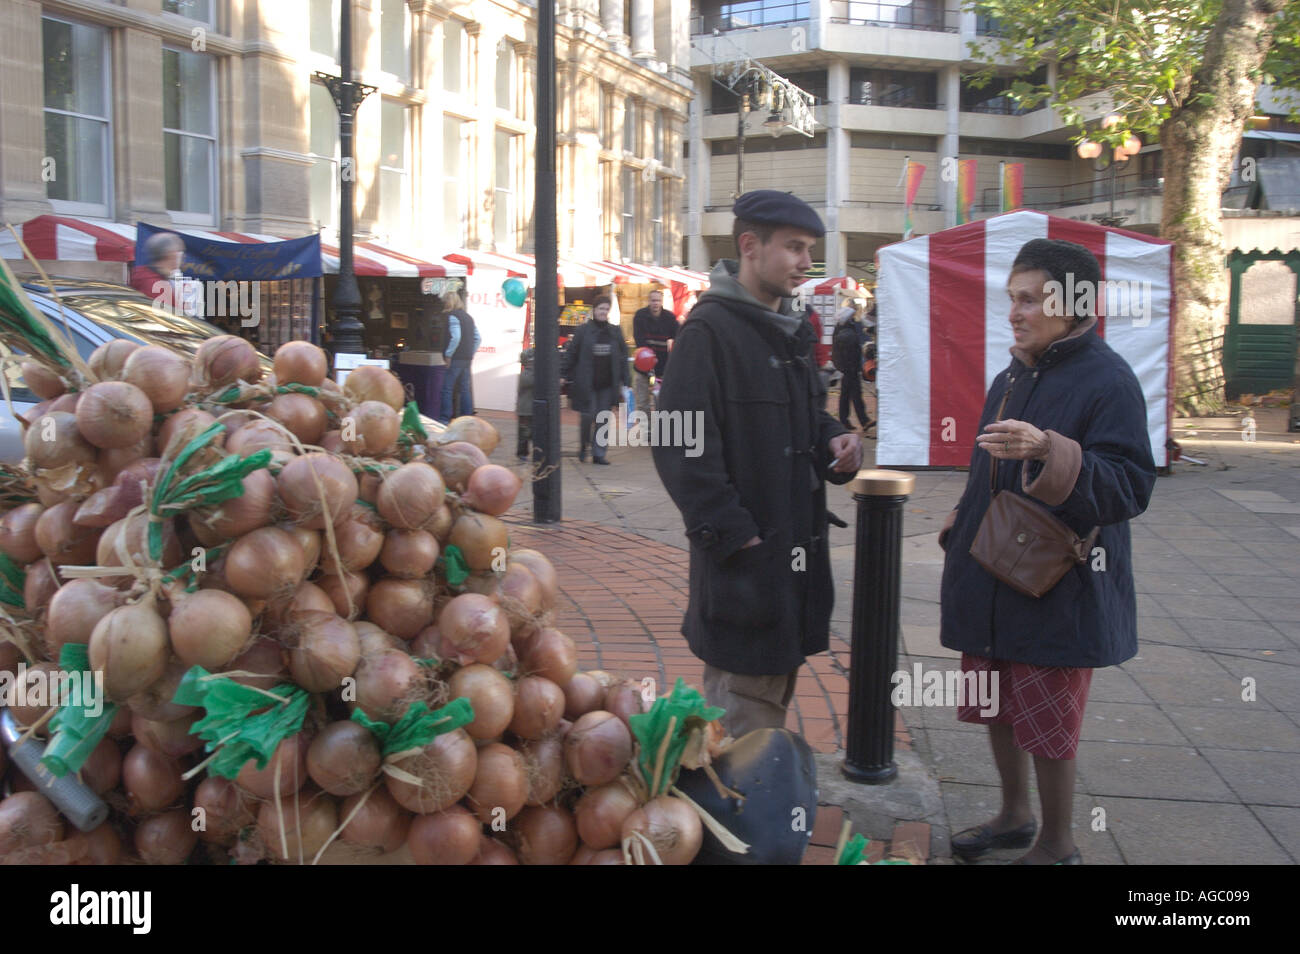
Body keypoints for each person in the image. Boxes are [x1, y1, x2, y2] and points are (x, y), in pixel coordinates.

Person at [937, 238, 1156, 865]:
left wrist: (1048, 449)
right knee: (996, 701)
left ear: (1073, 302)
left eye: (1029, 300)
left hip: (1059, 581)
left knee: (1048, 718)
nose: (1014, 312)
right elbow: (988, 465)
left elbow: (1130, 485)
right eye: (1012, 299)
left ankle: (1057, 845)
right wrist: (962, 517)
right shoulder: (1011, 374)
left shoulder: (1109, 380)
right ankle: (1013, 816)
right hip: (991, 567)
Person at [651, 190, 863, 738]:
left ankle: (740, 809)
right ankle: (738, 817)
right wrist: (736, 537)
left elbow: (805, 420)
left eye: (809, 249)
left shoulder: (787, 326)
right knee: (744, 718)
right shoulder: (709, 331)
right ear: (750, 245)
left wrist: (834, 439)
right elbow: (678, 444)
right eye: (794, 248)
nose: (805, 262)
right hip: (746, 570)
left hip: (790, 561)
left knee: (759, 702)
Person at [561, 295, 628, 465]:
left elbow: (622, 357)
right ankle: (584, 446)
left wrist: (625, 381)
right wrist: (563, 374)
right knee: (587, 415)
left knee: (603, 417)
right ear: (594, 310)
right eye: (601, 309)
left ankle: (599, 454)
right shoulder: (583, 331)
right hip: (587, 382)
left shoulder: (615, 331)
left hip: (607, 383)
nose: (603, 312)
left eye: (606, 309)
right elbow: (572, 354)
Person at [130, 231, 199, 316]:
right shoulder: (156, 286)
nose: (183, 256)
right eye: (179, 251)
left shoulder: (147, 277)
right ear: (170, 254)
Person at [632, 288, 677, 415]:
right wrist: (649, 360)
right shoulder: (640, 316)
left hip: (662, 370)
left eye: (658, 300)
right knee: (642, 403)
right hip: (643, 368)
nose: (655, 303)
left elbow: (679, 336)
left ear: (662, 302)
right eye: (653, 300)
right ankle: (647, 432)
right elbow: (639, 340)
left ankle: (661, 431)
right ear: (649, 301)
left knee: (662, 403)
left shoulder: (670, 318)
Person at [439, 290, 480, 423]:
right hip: (467, 359)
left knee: (447, 388)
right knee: (464, 389)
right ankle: (466, 418)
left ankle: (445, 418)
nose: (443, 304)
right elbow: (478, 338)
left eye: (445, 302)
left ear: (449, 302)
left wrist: (448, 355)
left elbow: (456, 337)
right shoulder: (469, 317)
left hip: (455, 358)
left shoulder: (452, 316)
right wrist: (470, 353)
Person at [831, 303, 873, 432]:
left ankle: (845, 420)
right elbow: (852, 353)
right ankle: (863, 420)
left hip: (846, 369)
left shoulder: (840, 330)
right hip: (851, 369)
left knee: (846, 395)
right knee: (855, 395)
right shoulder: (849, 333)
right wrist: (854, 368)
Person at [516, 347, 535, 461]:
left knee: (532, 431)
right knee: (524, 433)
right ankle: (522, 452)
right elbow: (530, 383)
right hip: (525, 409)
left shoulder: (530, 373)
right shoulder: (526, 374)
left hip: (530, 408)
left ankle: (527, 451)